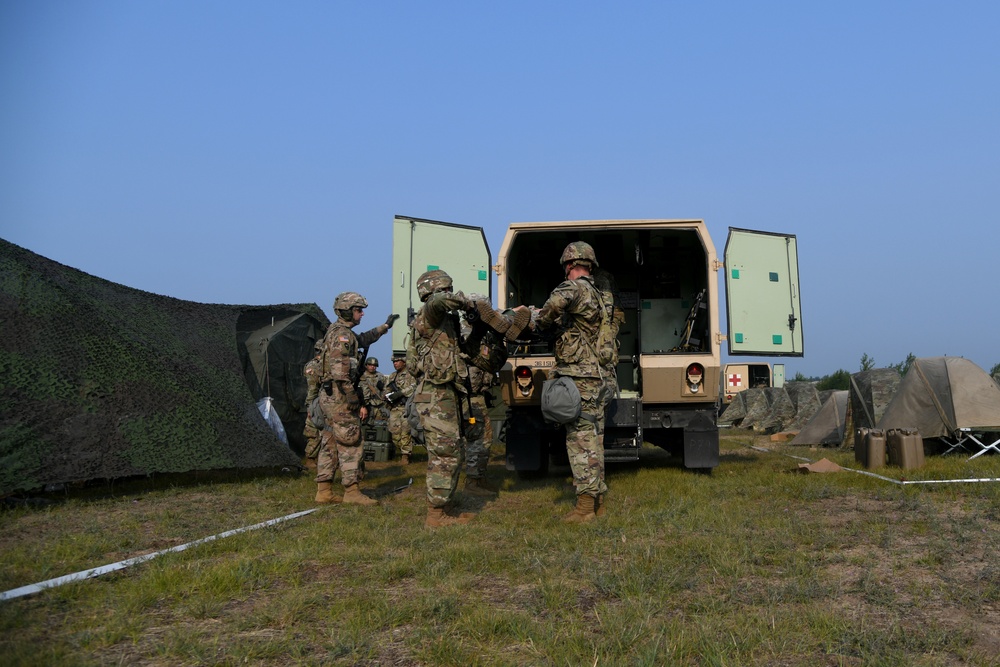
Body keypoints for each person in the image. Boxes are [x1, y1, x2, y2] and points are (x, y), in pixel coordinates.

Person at [531, 241, 614, 523]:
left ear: (570, 265)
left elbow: (552, 307)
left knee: (580, 442)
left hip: (579, 377)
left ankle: (584, 508)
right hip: (599, 377)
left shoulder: (574, 287)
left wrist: (539, 321)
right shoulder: (600, 294)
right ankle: (598, 502)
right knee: (595, 440)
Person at [315, 291, 398, 506]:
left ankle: (323, 490)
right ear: (346, 311)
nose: (361, 314)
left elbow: (362, 340)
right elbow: (340, 371)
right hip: (340, 396)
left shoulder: (338, 332)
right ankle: (352, 492)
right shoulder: (342, 336)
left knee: (330, 440)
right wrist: (353, 397)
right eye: (358, 310)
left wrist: (385, 327)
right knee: (351, 441)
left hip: (330, 396)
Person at [385, 353, 416, 464]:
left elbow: (414, 386)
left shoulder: (410, 374)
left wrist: (401, 393)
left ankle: (405, 455)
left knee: (405, 432)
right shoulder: (392, 376)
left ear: (403, 362)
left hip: (406, 407)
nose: (395, 364)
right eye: (394, 362)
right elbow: (387, 389)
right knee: (394, 433)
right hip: (394, 408)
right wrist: (388, 396)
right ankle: (400, 450)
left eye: (397, 361)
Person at [301, 343, 324, 471]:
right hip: (316, 402)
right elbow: (312, 388)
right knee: (313, 431)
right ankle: (310, 459)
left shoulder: (324, 364)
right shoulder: (314, 366)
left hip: (324, 402)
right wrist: (310, 406)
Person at [359, 357, 389, 423]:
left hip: (379, 406)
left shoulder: (380, 376)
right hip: (366, 406)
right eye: (370, 365)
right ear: (366, 365)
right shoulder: (361, 376)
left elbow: (386, 389)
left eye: (374, 365)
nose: (372, 367)